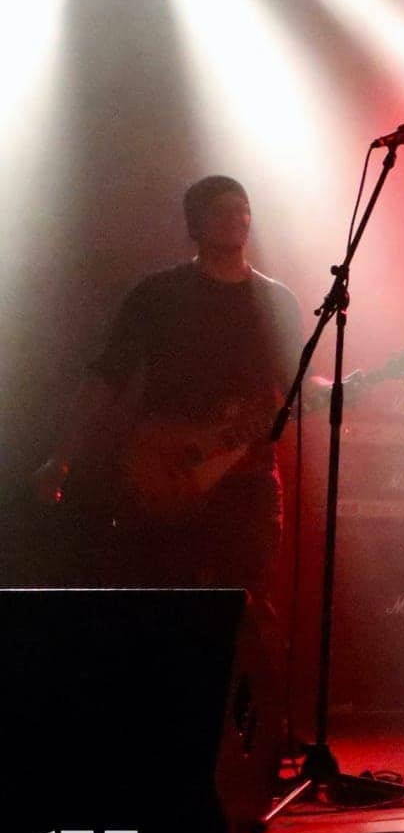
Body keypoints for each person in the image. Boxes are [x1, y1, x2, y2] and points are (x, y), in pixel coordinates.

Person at [34, 175, 304, 611]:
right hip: (164, 475)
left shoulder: (277, 301)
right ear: (194, 224)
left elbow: (297, 386)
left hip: (246, 481)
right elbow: (105, 377)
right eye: (221, 209)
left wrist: (340, 393)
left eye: (243, 209)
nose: (237, 217)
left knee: (245, 609)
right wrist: (61, 457)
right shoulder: (157, 295)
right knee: (162, 607)